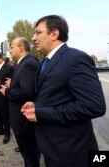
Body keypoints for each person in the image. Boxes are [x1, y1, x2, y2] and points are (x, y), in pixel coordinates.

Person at [21, 15, 106, 167]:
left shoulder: (76, 59)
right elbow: (56, 96)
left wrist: (42, 114)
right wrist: (36, 106)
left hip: (72, 152)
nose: (33, 38)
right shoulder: (44, 62)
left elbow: (94, 106)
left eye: (38, 32)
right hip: (52, 148)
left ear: (54, 34)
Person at [0, 37, 40, 167]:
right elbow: (25, 84)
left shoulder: (28, 63)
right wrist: (13, 84)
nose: (10, 50)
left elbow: (27, 92)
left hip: (23, 118)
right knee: (29, 152)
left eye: (12, 47)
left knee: (30, 156)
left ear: (21, 48)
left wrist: (7, 92)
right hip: (21, 117)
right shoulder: (21, 63)